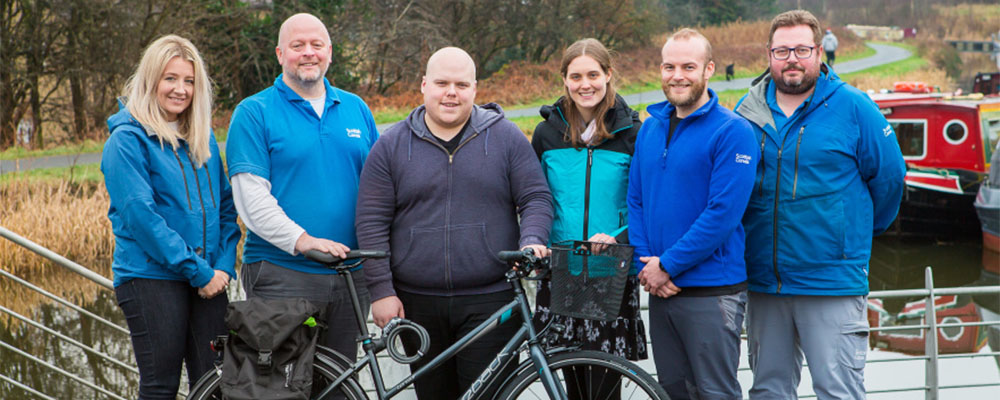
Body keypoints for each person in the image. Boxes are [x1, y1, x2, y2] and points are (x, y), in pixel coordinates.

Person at [355, 47, 553, 399]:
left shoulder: (506, 138)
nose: (451, 92)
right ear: (424, 85)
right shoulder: (390, 146)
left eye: (461, 84)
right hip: (416, 302)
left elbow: (536, 197)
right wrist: (381, 290)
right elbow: (371, 221)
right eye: (442, 83)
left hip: (492, 300)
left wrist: (533, 237)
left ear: (475, 89)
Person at [734, 10, 905, 399]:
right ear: (768, 54)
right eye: (781, 50)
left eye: (801, 49)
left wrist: (854, 233)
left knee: (837, 390)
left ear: (818, 52)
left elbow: (890, 178)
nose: (791, 58)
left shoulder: (853, 106)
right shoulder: (747, 111)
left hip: (831, 283)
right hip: (764, 282)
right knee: (768, 391)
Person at [224, 13, 379, 363]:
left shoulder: (356, 108)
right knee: (281, 384)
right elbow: (250, 200)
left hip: (351, 276)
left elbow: (380, 190)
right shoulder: (254, 112)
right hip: (282, 275)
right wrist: (304, 241)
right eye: (298, 46)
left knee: (341, 383)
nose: (308, 53)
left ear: (330, 52)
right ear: (280, 54)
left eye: (316, 45)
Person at [102, 34, 239, 399]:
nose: (181, 89)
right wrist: (198, 270)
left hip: (210, 278)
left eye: (189, 81)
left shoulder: (202, 137)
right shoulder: (126, 141)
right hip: (152, 278)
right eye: (170, 78)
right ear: (151, 81)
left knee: (215, 386)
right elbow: (141, 218)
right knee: (161, 387)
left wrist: (224, 266)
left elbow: (226, 208)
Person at [627, 28, 758, 399]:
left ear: (709, 69)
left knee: (714, 392)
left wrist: (666, 265)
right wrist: (646, 265)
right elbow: (636, 200)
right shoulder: (649, 129)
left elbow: (723, 214)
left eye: (688, 66)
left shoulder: (734, 132)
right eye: (669, 66)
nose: (677, 75)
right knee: (672, 391)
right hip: (660, 289)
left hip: (712, 291)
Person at [529, 38, 647, 398]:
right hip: (561, 270)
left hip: (609, 272)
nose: (585, 84)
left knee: (605, 386)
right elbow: (536, 197)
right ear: (564, 79)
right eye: (576, 76)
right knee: (571, 380)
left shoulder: (632, 133)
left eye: (593, 74)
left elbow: (642, 201)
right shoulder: (546, 133)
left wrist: (621, 237)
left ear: (608, 75)